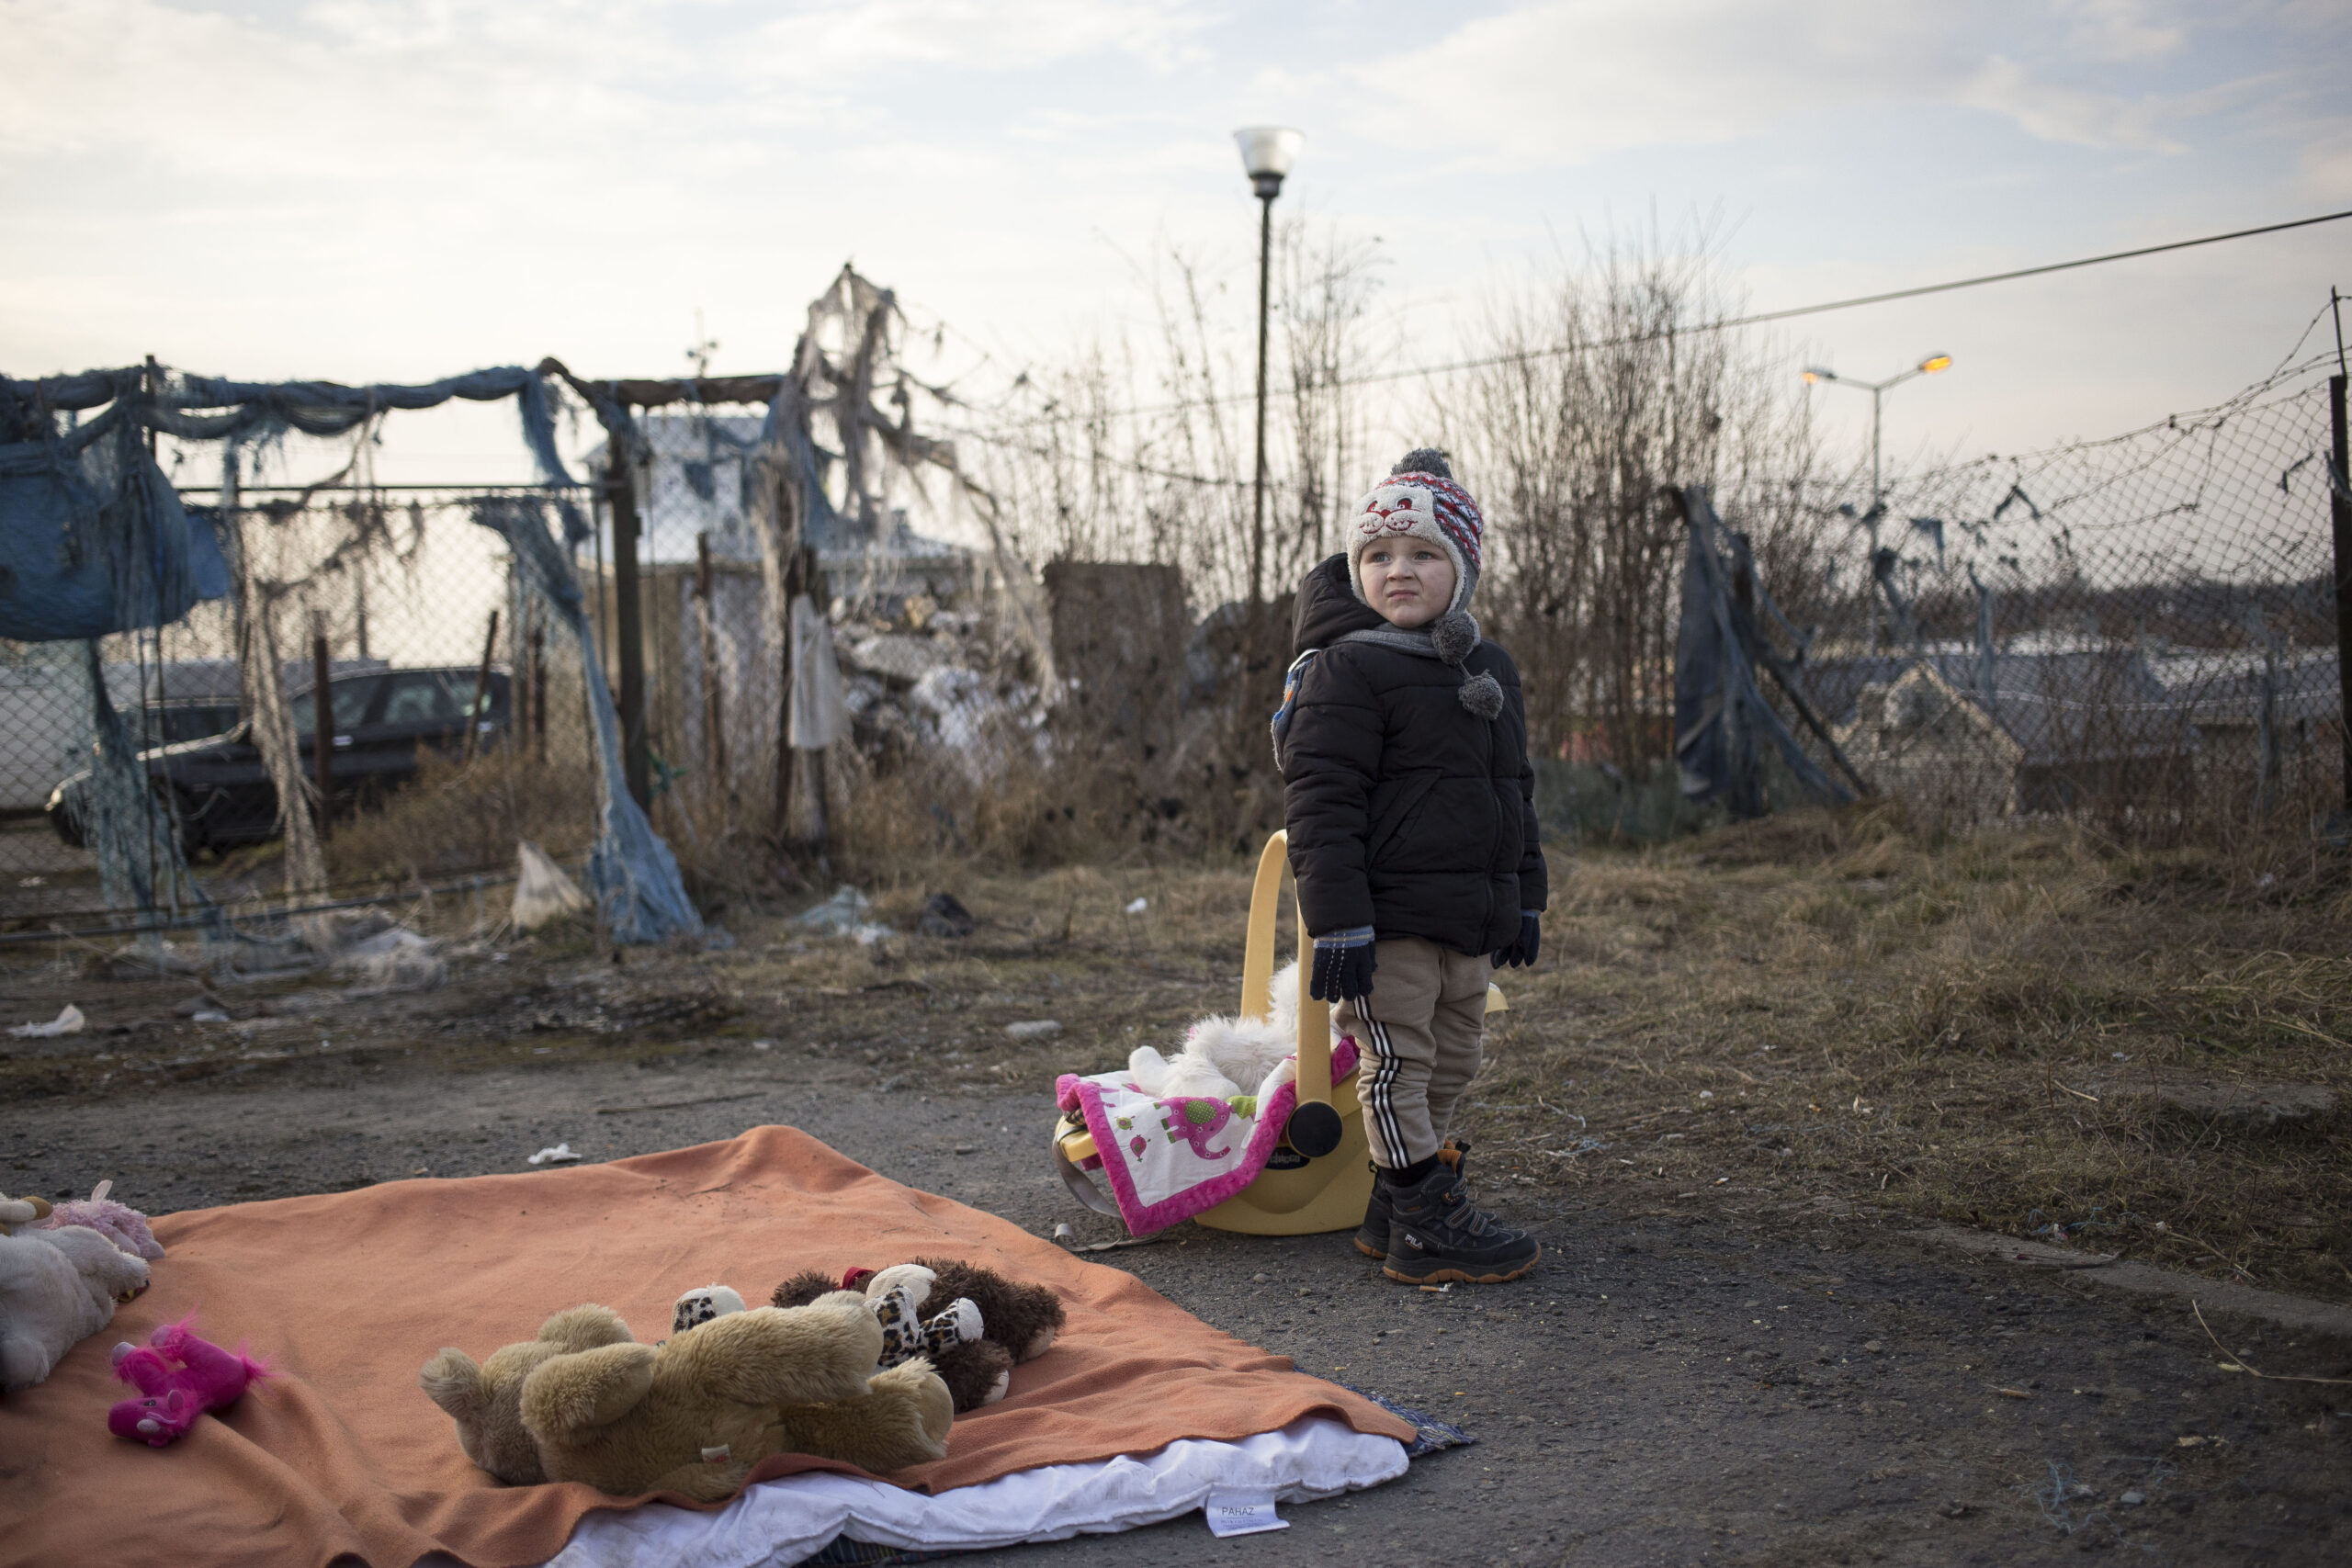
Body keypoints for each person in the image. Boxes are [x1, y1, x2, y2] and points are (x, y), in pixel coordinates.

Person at [1273, 448, 1546, 1284]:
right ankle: (1423, 1213)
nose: (1400, 570)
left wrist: (1524, 899)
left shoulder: (1487, 668)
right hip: (1383, 918)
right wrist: (1340, 921)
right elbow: (1322, 800)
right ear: (1357, 570)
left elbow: (1513, 791)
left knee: (1457, 1053)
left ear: (1460, 570)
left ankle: (1392, 1202)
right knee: (1400, 1059)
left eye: (1425, 554)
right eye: (1379, 555)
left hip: (1466, 915)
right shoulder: (1346, 668)